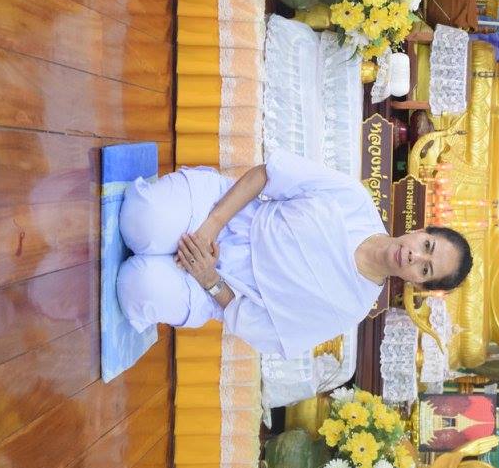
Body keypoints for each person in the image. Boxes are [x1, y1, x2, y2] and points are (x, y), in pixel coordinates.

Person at [116, 149, 472, 358]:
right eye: (427, 247)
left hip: (214, 286)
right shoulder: (353, 199)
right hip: (221, 213)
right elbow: (267, 176)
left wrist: (209, 279)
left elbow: (260, 326)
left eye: (425, 270)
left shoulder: (349, 308)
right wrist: (212, 225)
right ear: (421, 230)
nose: (414, 257)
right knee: (139, 219)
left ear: (417, 285)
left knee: (137, 286)